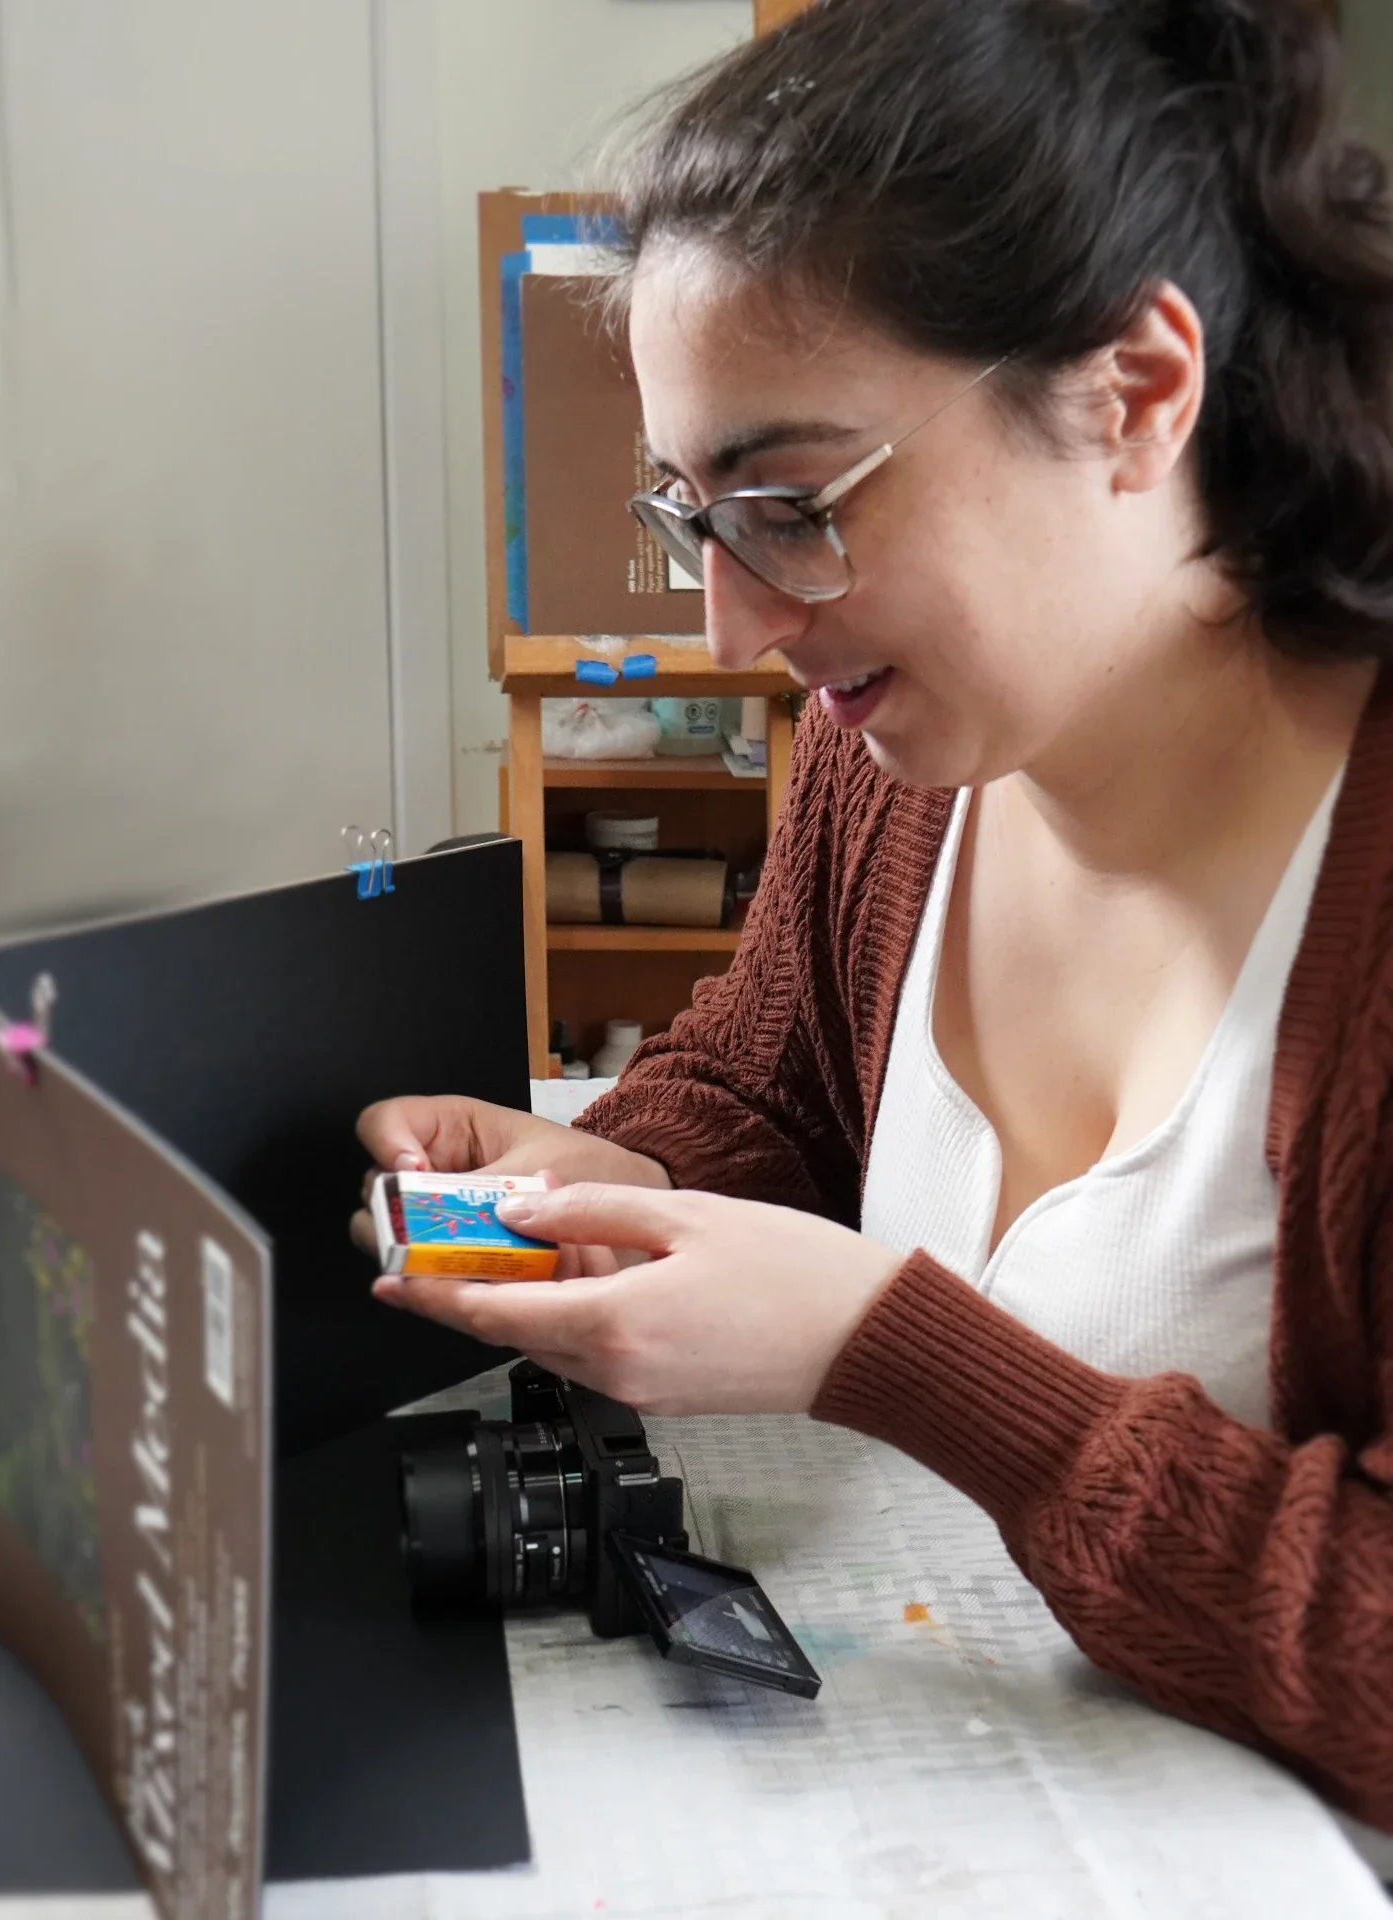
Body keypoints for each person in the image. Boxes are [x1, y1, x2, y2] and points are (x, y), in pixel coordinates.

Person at [355, 0, 1393, 1853]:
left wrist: (891, 1358)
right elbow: (775, 1094)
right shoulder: (900, 763)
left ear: (1138, 391)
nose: (732, 630)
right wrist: (593, 1170)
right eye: (694, 517)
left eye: (790, 503)